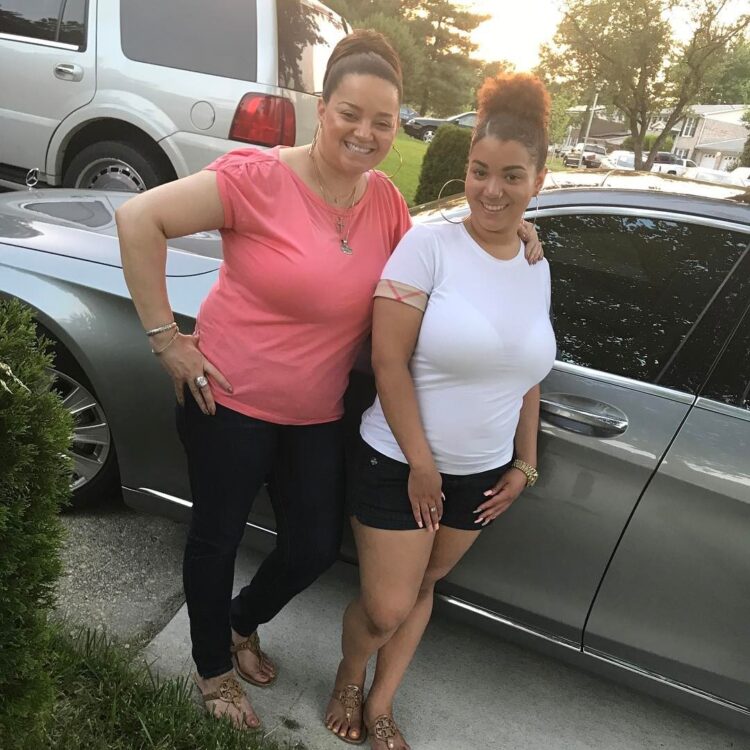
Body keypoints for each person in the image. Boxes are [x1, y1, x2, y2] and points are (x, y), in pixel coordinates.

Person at [117, 28, 542, 730]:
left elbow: (441, 254)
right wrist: (167, 341)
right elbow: (139, 218)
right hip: (226, 400)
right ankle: (214, 670)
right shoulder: (257, 179)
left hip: (315, 413)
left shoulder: (386, 204)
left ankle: (239, 622)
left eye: (383, 121)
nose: (365, 133)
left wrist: (513, 230)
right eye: (350, 113)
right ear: (322, 108)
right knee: (216, 539)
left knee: (313, 547)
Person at [325, 72, 556, 749]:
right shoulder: (428, 246)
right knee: (385, 606)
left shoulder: (536, 263)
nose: (491, 190)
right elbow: (388, 362)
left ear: (538, 181)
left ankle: (382, 703)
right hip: (399, 463)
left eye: (511, 176)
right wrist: (423, 464)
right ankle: (349, 675)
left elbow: (525, 371)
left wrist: (525, 464)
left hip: (480, 475)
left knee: (426, 584)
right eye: (480, 171)